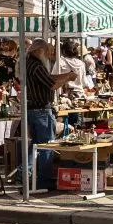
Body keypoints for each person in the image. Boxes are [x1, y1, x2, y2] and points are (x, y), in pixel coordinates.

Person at [24, 39, 77, 190]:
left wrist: (66, 74)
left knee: (35, 145)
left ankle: (25, 174)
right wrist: (67, 77)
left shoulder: (30, 63)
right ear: (39, 50)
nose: (48, 55)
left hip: (34, 109)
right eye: (47, 51)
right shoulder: (36, 65)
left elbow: (49, 79)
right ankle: (44, 179)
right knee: (47, 145)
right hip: (41, 110)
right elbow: (52, 84)